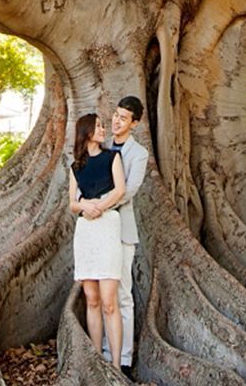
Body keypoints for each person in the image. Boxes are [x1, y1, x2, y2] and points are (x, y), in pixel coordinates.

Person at [69, 111, 126, 368]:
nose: (104, 129)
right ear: (87, 132)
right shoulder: (76, 166)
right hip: (86, 232)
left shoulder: (112, 157)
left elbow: (120, 189)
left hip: (107, 226)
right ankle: (97, 361)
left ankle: (115, 364)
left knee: (109, 301)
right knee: (91, 298)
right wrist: (84, 207)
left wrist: (98, 207)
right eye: (99, 126)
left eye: (104, 125)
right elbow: (72, 203)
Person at [106, 95, 149, 369]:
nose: (116, 121)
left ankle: (122, 358)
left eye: (123, 118)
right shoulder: (101, 146)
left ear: (134, 123)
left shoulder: (139, 154)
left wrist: (101, 203)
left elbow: (130, 190)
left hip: (122, 229)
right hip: (98, 231)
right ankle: (103, 351)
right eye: (115, 114)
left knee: (122, 293)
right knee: (100, 293)